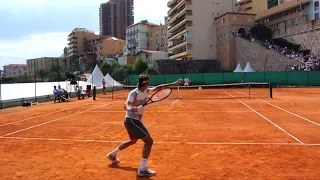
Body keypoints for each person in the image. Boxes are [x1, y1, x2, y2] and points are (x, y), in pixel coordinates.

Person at [106, 74, 182, 177]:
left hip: (134, 120)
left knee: (133, 140)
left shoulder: (146, 90)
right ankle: (142, 169)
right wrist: (130, 108)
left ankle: (112, 154)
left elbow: (159, 87)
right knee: (149, 141)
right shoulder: (134, 93)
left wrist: (173, 84)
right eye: (148, 82)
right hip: (132, 120)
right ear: (145, 83)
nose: (149, 84)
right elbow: (126, 104)